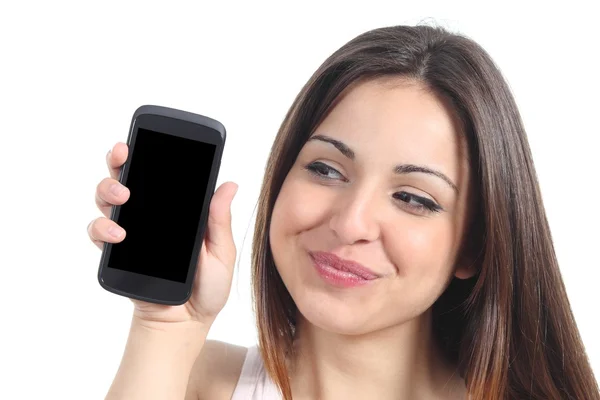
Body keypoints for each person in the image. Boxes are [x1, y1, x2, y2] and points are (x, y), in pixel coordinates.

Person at [87, 24, 600, 400]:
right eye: (327, 170)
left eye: (414, 198)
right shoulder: (191, 381)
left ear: (474, 246)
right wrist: (165, 327)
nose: (351, 222)